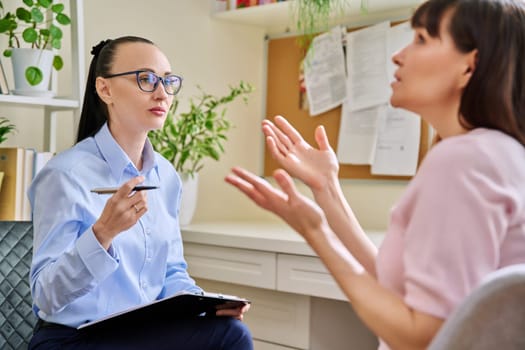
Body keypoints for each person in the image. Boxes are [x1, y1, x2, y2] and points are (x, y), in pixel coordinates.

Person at [225, 0, 525, 349]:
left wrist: (315, 231)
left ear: (468, 67)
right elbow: (396, 287)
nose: (398, 55)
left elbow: (423, 337)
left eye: (422, 39)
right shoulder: (501, 153)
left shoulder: (462, 161)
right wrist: (327, 191)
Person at [28, 36, 253, 350]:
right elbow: (46, 296)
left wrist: (206, 306)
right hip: (71, 339)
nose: (162, 93)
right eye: (146, 79)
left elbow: (172, 271)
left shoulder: (166, 176)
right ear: (105, 89)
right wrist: (102, 234)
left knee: (227, 327)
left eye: (168, 81)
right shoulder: (64, 175)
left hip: (138, 333)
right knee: (232, 337)